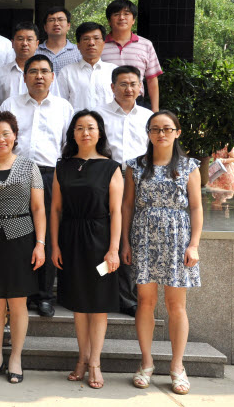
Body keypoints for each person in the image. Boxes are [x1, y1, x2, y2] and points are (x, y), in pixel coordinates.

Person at [121, 111, 202, 395]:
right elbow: (127, 206)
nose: (161, 134)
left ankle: (177, 366)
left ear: (177, 132)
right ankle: (146, 362)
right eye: (155, 129)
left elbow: (196, 207)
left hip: (178, 238)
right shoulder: (135, 166)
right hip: (143, 236)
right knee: (145, 301)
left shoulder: (190, 166)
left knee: (176, 304)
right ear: (148, 133)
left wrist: (194, 244)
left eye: (167, 129)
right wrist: (125, 243)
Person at [50, 110, 122, 389]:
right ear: (73, 133)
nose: (85, 133)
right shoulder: (63, 166)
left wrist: (114, 249)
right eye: (79, 128)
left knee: (98, 305)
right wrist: (55, 244)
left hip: (100, 241)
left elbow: (116, 212)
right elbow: (56, 209)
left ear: (99, 132)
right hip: (70, 239)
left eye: (90, 127)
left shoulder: (111, 167)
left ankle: (95, 363)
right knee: (78, 305)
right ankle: (81, 359)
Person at [0, 110, 46, 385]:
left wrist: (40, 244)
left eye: (6, 133)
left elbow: (38, 208)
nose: (1, 139)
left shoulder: (29, 167)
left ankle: (15, 358)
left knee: (18, 302)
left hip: (21, 238)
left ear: (15, 136)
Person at [0, 54, 73, 317]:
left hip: (50, 174)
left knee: (47, 234)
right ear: (24, 76)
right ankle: (20, 291)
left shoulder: (64, 107)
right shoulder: (10, 104)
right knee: (17, 233)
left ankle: (43, 295)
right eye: (33, 71)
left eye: (44, 71)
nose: (39, 76)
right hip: (16, 173)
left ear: (52, 77)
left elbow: (68, 145)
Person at [96, 65, 154, 316]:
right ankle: (101, 290)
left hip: (138, 180)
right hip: (106, 178)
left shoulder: (148, 117)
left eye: (133, 84)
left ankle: (127, 297)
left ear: (140, 87)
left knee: (130, 236)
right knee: (104, 233)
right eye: (123, 84)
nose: (128, 89)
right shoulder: (99, 115)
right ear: (112, 87)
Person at [101, 0, 162, 111]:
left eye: (126, 14)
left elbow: (152, 80)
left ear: (133, 20)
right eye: (116, 14)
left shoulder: (146, 45)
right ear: (109, 21)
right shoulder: (100, 45)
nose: (122, 18)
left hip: (137, 102)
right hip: (106, 101)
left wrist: (155, 111)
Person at [56, 22, 117, 112]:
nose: (91, 43)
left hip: (107, 120)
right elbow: (60, 104)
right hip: (76, 120)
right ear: (78, 45)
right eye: (86, 39)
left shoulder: (113, 71)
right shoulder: (67, 72)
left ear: (103, 44)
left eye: (96, 38)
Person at [0, 22, 44, 109]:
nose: (25, 43)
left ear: (37, 44)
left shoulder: (46, 74)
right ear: (12, 43)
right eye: (20, 39)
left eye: (29, 39)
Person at [37, 7, 81, 73]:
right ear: (45, 27)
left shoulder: (79, 52)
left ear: (68, 25)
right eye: (51, 20)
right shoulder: (35, 52)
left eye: (60, 20)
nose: (56, 24)